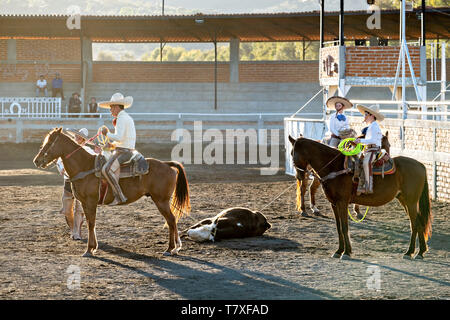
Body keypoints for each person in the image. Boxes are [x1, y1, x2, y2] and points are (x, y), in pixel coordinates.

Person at [56, 128, 99, 239]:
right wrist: (61, 168)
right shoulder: (68, 149)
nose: (77, 138)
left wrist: (98, 152)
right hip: (68, 182)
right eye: (76, 136)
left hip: (82, 184)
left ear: (84, 139)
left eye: (80, 137)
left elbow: (96, 160)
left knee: (79, 210)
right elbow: (59, 161)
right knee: (66, 210)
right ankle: (72, 229)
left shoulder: (88, 151)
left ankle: (77, 232)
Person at [98, 92, 136, 205]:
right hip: (125, 149)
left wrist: (106, 133)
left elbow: (119, 137)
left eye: (111, 108)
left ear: (116, 107)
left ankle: (119, 196)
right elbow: (123, 138)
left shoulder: (121, 118)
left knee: (106, 170)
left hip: (124, 152)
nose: (110, 111)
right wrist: (112, 145)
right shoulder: (125, 117)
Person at [354, 104, 385, 195]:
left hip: (374, 150)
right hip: (368, 149)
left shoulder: (374, 126)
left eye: (366, 114)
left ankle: (368, 187)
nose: (364, 116)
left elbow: (373, 140)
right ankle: (360, 184)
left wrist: (360, 140)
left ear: (372, 115)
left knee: (366, 163)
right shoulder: (372, 126)